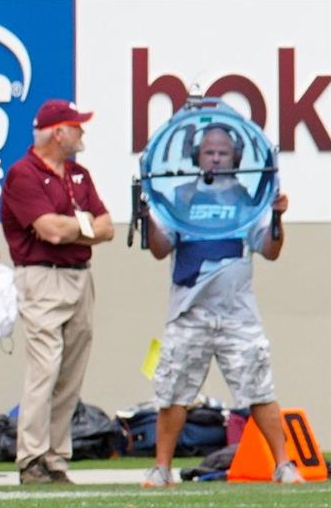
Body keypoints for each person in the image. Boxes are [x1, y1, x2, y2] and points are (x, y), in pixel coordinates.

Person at [141, 125, 301, 487]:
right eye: (209, 151)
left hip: (237, 314)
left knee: (259, 390)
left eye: (223, 152)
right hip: (189, 313)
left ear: (236, 158)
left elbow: (271, 251)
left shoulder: (249, 201)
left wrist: (277, 216)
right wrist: (148, 216)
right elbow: (160, 249)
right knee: (172, 392)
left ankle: (284, 464)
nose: (215, 157)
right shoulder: (179, 198)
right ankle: (161, 468)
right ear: (198, 155)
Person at [0, 99, 113, 485]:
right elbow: (49, 231)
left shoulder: (78, 173)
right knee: (44, 369)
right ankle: (31, 458)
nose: (82, 132)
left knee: (70, 373)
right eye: (77, 126)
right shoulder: (23, 173)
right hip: (42, 277)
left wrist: (73, 228)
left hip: (80, 275)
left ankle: (56, 457)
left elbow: (108, 226)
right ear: (58, 132)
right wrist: (83, 227)